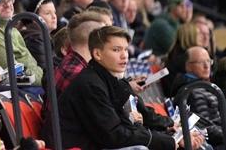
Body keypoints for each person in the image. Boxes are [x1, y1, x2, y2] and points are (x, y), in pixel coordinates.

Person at [58, 26, 198, 150]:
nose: (124, 55)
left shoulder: (111, 79)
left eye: (125, 49)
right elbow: (114, 135)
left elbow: (136, 121)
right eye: (116, 50)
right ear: (97, 54)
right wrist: (169, 141)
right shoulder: (90, 85)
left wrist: (170, 131)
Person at [171, 47, 223, 147]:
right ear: (188, 66)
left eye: (208, 61)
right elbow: (206, 129)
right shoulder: (192, 92)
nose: (207, 66)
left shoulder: (201, 86)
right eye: (201, 62)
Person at [20, 0, 58, 69]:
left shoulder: (41, 36)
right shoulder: (35, 39)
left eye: (54, 12)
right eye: (48, 13)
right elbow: (45, 71)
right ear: (34, 19)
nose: (54, 16)